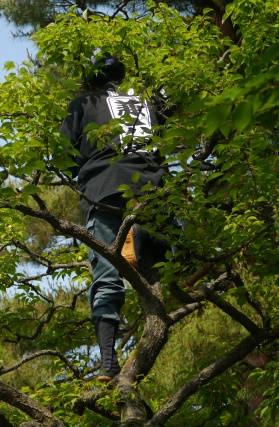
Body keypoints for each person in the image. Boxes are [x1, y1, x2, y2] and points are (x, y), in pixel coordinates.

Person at [59, 50, 165, 382]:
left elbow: (63, 157)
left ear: (89, 79)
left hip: (103, 190)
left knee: (106, 276)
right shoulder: (145, 103)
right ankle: (145, 241)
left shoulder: (82, 103)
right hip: (152, 191)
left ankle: (108, 363)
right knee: (160, 262)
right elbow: (165, 144)